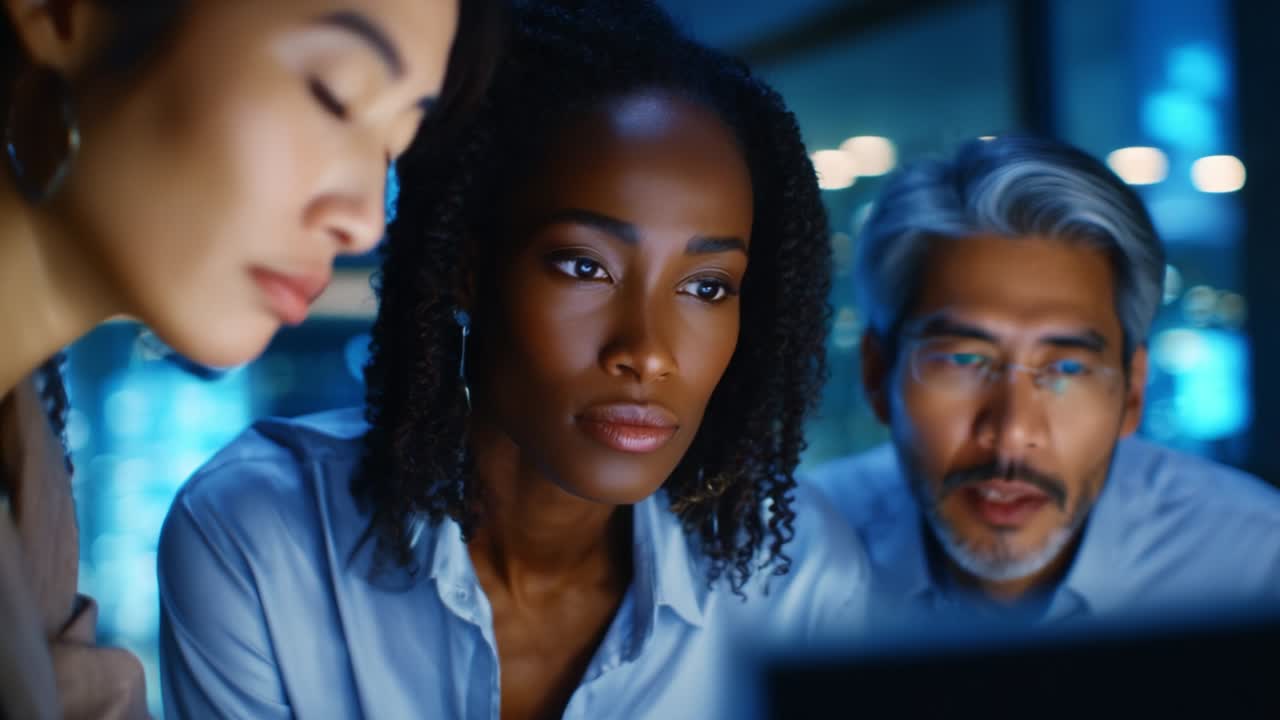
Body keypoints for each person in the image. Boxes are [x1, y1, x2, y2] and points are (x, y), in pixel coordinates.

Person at [158, 1, 870, 717]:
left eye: (706, 286)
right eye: (584, 267)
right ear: (468, 271)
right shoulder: (262, 537)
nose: (648, 353)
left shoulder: (802, 580)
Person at [0, 0, 501, 716]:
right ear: (58, 12)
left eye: (393, 148)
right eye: (336, 93)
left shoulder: (33, 479)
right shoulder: (235, 528)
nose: (363, 219)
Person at [806, 135, 1280, 626]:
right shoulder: (787, 563)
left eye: (1068, 369)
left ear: (1132, 393)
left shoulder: (1256, 567)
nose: (1012, 433)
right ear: (878, 375)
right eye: (964, 360)